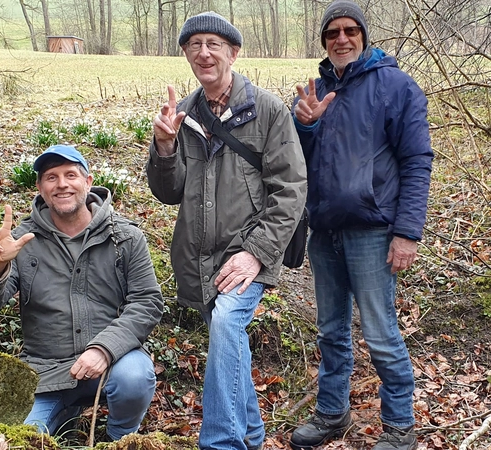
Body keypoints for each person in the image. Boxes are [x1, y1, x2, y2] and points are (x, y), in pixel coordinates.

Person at [146, 12, 307, 450]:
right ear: (186, 54)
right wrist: (163, 147)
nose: (204, 53)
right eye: (194, 44)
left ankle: (221, 442)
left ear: (233, 53)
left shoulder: (268, 111)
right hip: (197, 258)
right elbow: (168, 191)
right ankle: (252, 434)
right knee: (229, 342)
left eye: (214, 44)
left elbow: (291, 190)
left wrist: (255, 253)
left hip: (248, 251)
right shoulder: (181, 114)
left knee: (225, 322)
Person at [287, 2, 433, 449]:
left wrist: (407, 232)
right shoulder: (313, 91)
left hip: (373, 230)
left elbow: (417, 161)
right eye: (332, 33)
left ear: (364, 36)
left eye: (351, 30)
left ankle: (400, 426)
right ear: (324, 41)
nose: (342, 38)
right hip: (325, 229)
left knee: (380, 331)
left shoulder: (395, 86)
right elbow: (298, 167)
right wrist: (306, 127)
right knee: (330, 330)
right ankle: (332, 413)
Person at [0, 145, 163, 441]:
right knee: (25, 440)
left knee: (135, 377)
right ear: (40, 187)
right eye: (51, 177)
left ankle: (117, 439)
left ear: (88, 181)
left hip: (113, 364)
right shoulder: (20, 241)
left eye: (71, 175)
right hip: (46, 375)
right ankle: (66, 413)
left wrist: (104, 349)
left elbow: (147, 302)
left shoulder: (125, 236)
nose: (62, 184)